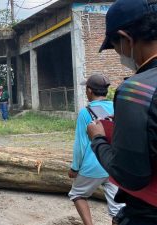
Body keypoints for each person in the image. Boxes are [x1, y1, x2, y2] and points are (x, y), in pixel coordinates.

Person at [87, 0, 157, 224]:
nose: (119, 53)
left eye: (115, 46)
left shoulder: (137, 90)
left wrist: (98, 139)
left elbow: (130, 176)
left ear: (126, 39)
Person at [68, 75, 125, 225]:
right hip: (114, 165)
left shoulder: (85, 112)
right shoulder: (117, 107)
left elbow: (80, 145)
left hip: (93, 166)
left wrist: (74, 168)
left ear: (89, 90)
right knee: (118, 210)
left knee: (77, 194)